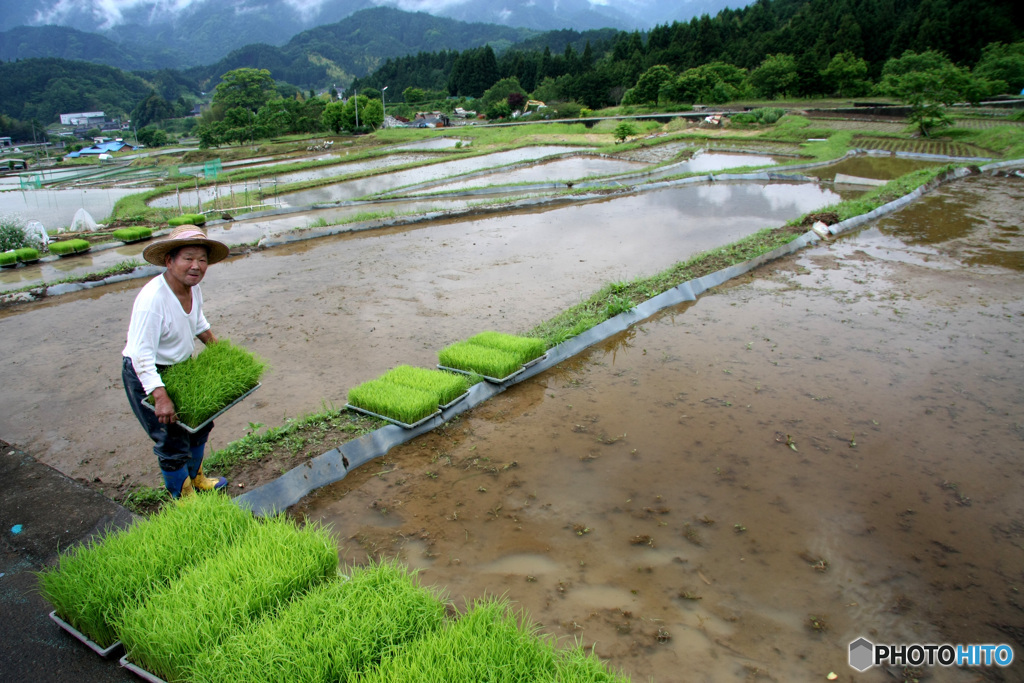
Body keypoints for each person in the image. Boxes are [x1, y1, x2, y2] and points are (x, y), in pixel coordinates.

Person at [122, 225, 230, 498]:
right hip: (148, 372)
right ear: (169, 261)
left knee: (200, 423)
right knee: (170, 439)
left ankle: (197, 478)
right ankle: (183, 500)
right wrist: (160, 395)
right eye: (188, 258)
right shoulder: (153, 300)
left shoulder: (193, 289)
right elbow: (140, 354)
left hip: (180, 367)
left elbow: (198, 324)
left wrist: (224, 352)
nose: (197, 266)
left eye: (203, 259)